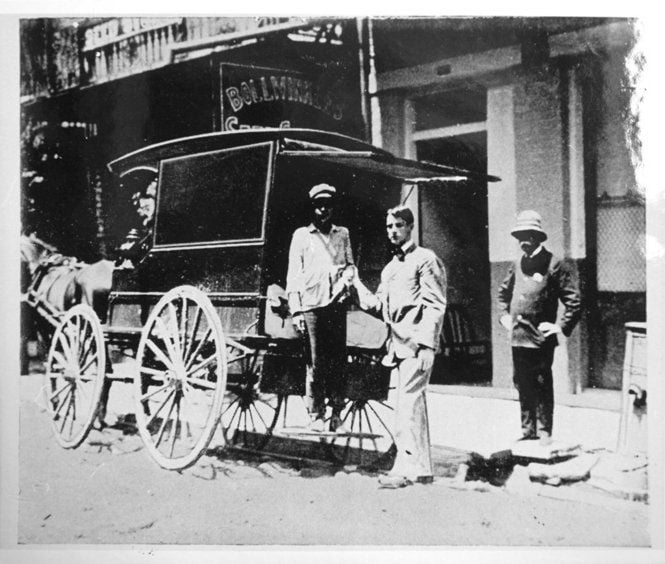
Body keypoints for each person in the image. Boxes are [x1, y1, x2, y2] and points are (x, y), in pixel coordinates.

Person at [352, 205, 447, 488]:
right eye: (389, 226)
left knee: (407, 405)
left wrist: (427, 346)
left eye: (398, 225)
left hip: (416, 345)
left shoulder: (425, 259)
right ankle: (420, 468)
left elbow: (435, 304)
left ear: (410, 226)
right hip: (398, 346)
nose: (392, 231)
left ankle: (406, 468)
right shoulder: (391, 268)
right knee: (410, 404)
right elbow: (380, 307)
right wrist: (355, 284)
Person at [498, 210, 581, 445]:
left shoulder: (555, 264)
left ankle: (545, 431)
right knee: (522, 382)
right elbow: (503, 292)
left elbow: (574, 300)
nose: (523, 241)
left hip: (540, 338)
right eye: (520, 236)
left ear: (538, 237)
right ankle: (528, 431)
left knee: (542, 382)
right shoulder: (517, 264)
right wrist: (504, 315)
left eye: (528, 235)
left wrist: (560, 327)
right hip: (518, 336)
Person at [286, 183, 355, 433]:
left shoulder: (342, 234)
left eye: (327, 205)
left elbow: (350, 264)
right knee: (316, 362)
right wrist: (296, 310)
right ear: (313, 207)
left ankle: (337, 414)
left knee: (338, 360)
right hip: (311, 306)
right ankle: (316, 414)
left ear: (333, 207)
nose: (323, 209)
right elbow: (294, 275)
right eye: (318, 205)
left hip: (336, 305)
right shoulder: (302, 236)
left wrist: (348, 277)